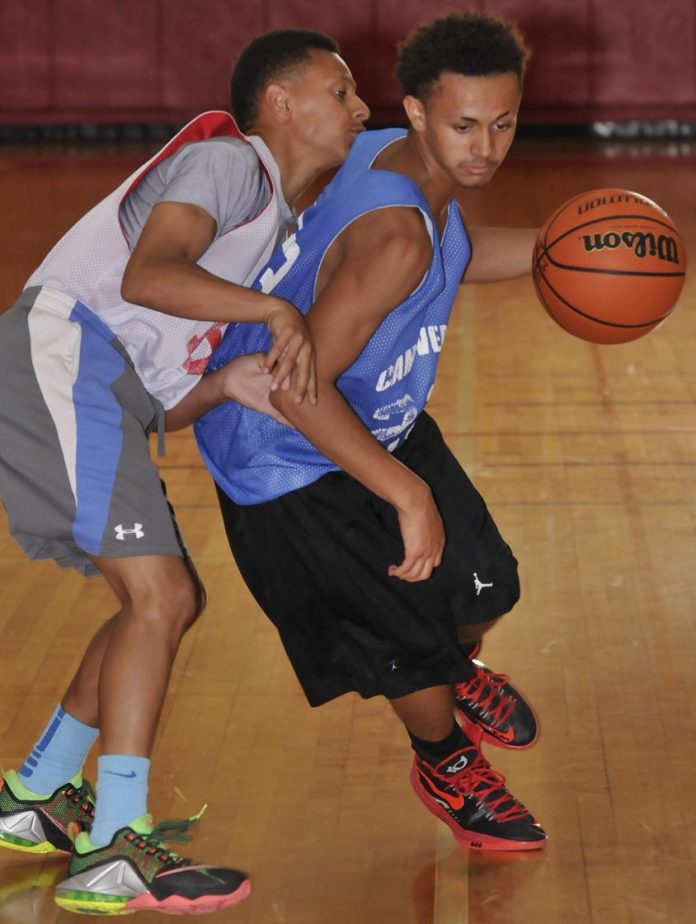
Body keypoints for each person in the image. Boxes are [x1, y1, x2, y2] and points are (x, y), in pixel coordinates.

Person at [0, 29, 368, 915]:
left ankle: (39, 795)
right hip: (63, 357)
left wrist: (225, 384)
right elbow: (148, 273)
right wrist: (275, 311)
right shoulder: (229, 164)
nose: (360, 109)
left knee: (168, 601)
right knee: (158, 599)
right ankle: (114, 849)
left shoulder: (269, 215)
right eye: (341, 91)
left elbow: (163, 399)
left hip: (105, 387)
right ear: (280, 104)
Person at [194, 11, 546, 852]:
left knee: (485, 585)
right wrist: (406, 493)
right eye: (464, 125)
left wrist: (570, 248)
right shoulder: (395, 237)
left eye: (503, 123)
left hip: (366, 411)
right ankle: (446, 760)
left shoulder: (385, 150)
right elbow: (294, 386)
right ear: (420, 112)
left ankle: (453, 669)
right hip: (285, 454)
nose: (485, 147)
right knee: (406, 643)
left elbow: (452, 250)